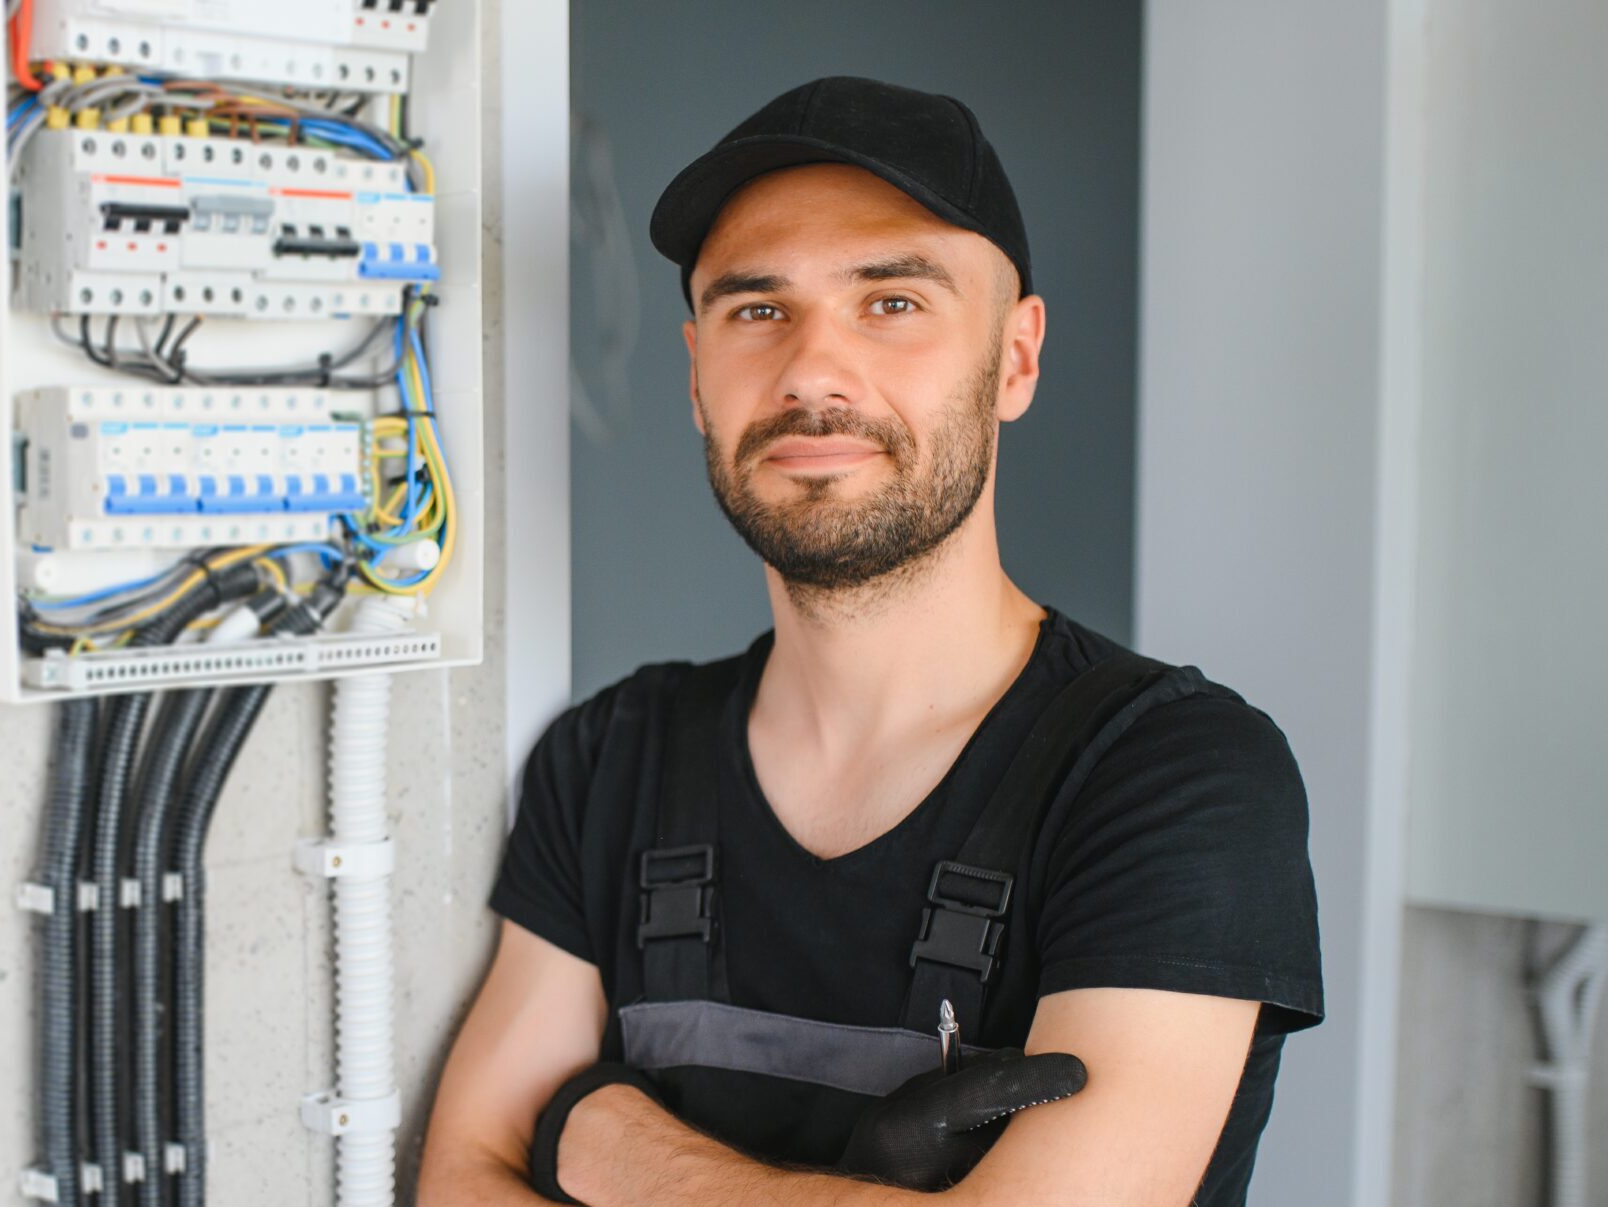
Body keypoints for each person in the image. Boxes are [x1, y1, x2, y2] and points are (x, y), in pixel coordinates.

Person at [416, 76, 1324, 1205]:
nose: (809, 371)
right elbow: (463, 1177)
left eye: (891, 302)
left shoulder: (1174, 774)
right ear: (698, 373)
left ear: (1016, 358)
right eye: (757, 308)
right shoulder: (609, 755)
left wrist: (605, 1140)